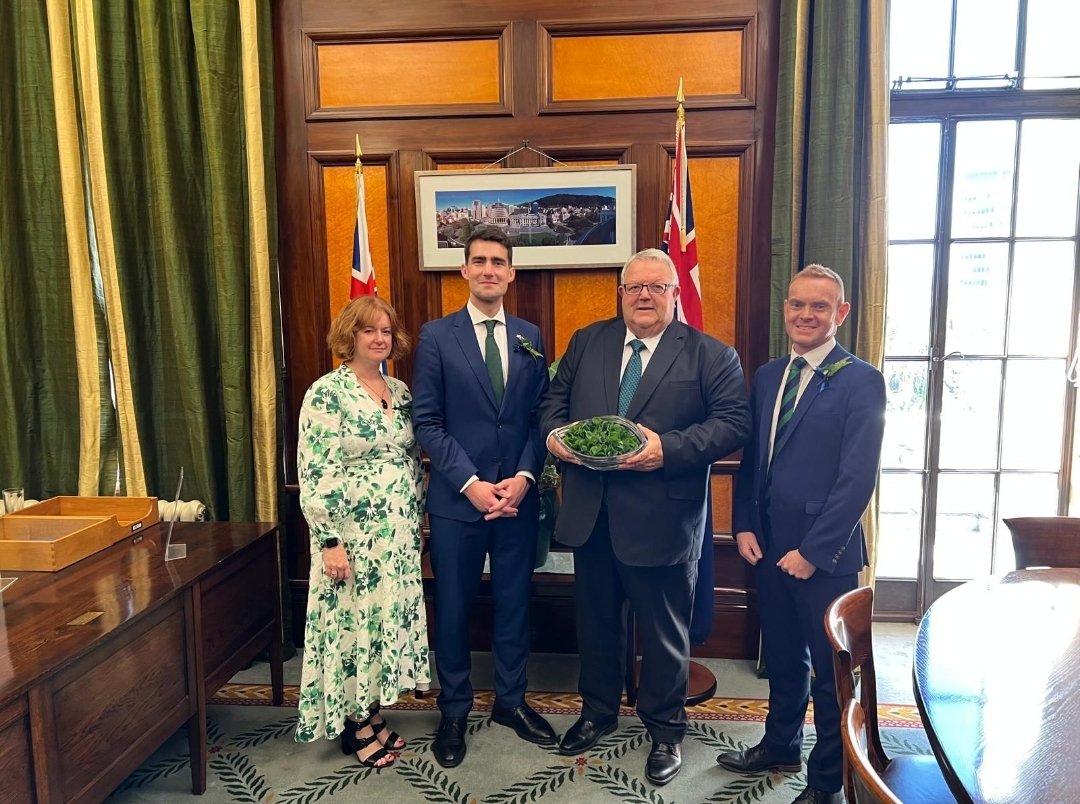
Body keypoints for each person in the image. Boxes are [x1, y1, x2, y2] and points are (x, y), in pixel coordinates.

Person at [540, 248, 751, 786]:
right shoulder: (589, 340)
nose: (644, 296)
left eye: (657, 288)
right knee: (597, 623)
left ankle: (665, 731)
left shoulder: (710, 354)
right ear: (621, 291)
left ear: (675, 295)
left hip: (663, 518)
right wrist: (555, 438)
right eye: (635, 287)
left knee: (663, 633)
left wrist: (668, 449)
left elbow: (732, 424)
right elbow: (553, 402)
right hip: (591, 515)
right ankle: (598, 712)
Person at [716, 264, 886, 804]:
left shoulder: (861, 380)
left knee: (829, 678)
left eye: (819, 306)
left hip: (823, 556)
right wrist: (743, 522)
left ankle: (826, 781)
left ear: (841, 313)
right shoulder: (768, 376)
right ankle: (780, 744)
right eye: (796, 305)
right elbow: (754, 463)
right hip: (765, 547)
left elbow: (858, 478)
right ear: (784, 309)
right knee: (784, 659)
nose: (805, 315)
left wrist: (812, 552)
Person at [412, 226, 556, 768]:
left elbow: (540, 416)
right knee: (452, 609)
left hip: (517, 502)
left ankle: (511, 704)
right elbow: (427, 422)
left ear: (512, 272)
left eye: (499, 261)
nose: (490, 269)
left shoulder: (530, 334)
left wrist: (523, 475)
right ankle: (454, 711)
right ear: (465, 271)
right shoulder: (436, 336)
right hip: (458, 504)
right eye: (480, 261)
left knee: (515, 606)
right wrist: (471, 484)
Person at [294, 296, 429, 770]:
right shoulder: (327, 392)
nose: (379, 339)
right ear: (348, 338)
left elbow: (412, 458)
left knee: (380, 623)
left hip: (395, 535)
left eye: (386, 332)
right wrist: (329, 540)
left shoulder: (400, 388)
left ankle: (370, 712)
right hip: (350, 537)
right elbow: (316, 468)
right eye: (368, 331)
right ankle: (353, 726)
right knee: (352, 627)